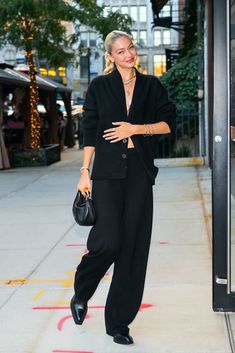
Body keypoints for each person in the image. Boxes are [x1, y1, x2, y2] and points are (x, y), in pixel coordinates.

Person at [70, 30, 176, 345]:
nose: (128, 54)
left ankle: (118, 322)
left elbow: (168, 123)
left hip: (139, 174)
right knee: (108, 242)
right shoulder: (100, 87)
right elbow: (90, 130)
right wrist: (84, 171)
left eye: (130, 48)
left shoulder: (150, 86)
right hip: (105, 173)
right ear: (111, 56)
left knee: (132, 249)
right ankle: (82, 290)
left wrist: (137, 128)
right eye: (120, 51)